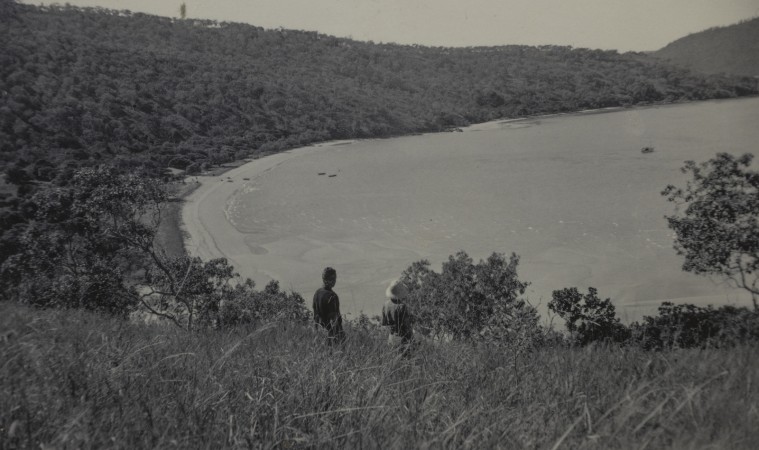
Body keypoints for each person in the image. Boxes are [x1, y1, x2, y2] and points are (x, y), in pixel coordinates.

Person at [312, 267, 345, 345]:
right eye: (332, 278)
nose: (334, 281)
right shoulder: (332, 296)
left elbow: (315, 316)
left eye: (334, 278)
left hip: (319, 335)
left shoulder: (317, 293)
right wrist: (341, 337)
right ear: (325, 279)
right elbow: (334, 320)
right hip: (331, 336)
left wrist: (316, 333)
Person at [381, 280, 414, 352]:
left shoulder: (386, 305)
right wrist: (412, 339)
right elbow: (407, 326)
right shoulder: (402, 307)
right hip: (403, 339)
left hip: (391, 339)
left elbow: (384, 323)